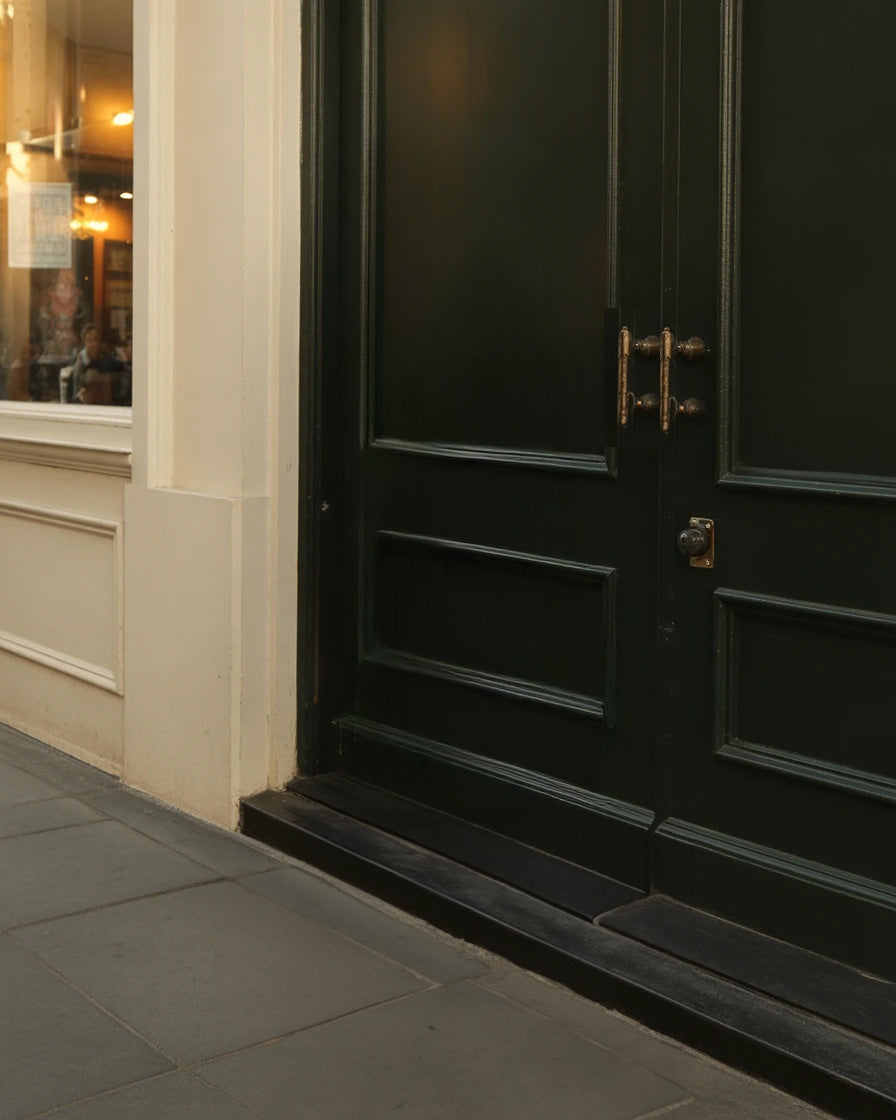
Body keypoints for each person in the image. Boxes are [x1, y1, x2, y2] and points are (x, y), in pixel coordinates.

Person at [69, 324, 124, 405]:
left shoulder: (107, 357)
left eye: (95, 339)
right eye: (89, 340)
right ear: (84, 343)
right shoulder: (81, 360)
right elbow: (77, 390)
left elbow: (119, 373)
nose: (93, 344)